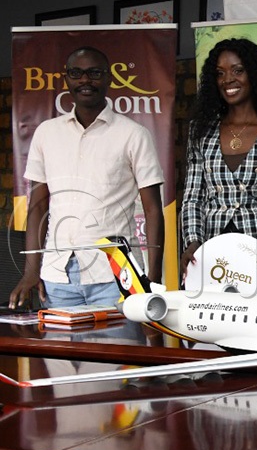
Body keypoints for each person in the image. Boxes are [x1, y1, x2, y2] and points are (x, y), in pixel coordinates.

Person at [8, 47, 164, 309]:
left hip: (115, 278)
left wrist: (153, 279)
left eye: (94, 73)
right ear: (66, 79)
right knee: (59, 352)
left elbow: (153, 210)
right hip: (57, 277)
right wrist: (31, 271)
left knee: (115, 350)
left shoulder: (133, 135)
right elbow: (37, 207)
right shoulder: (47, 133)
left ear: (108, 78)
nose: (85, 80)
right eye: (76, 73)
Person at [180, 38, 257, 292]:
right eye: (220, 73)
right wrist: (193, 242)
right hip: (212, 252)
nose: (228, 79)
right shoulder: (202, 129)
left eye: (238, 70)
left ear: (255, 74)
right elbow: (193, 198)